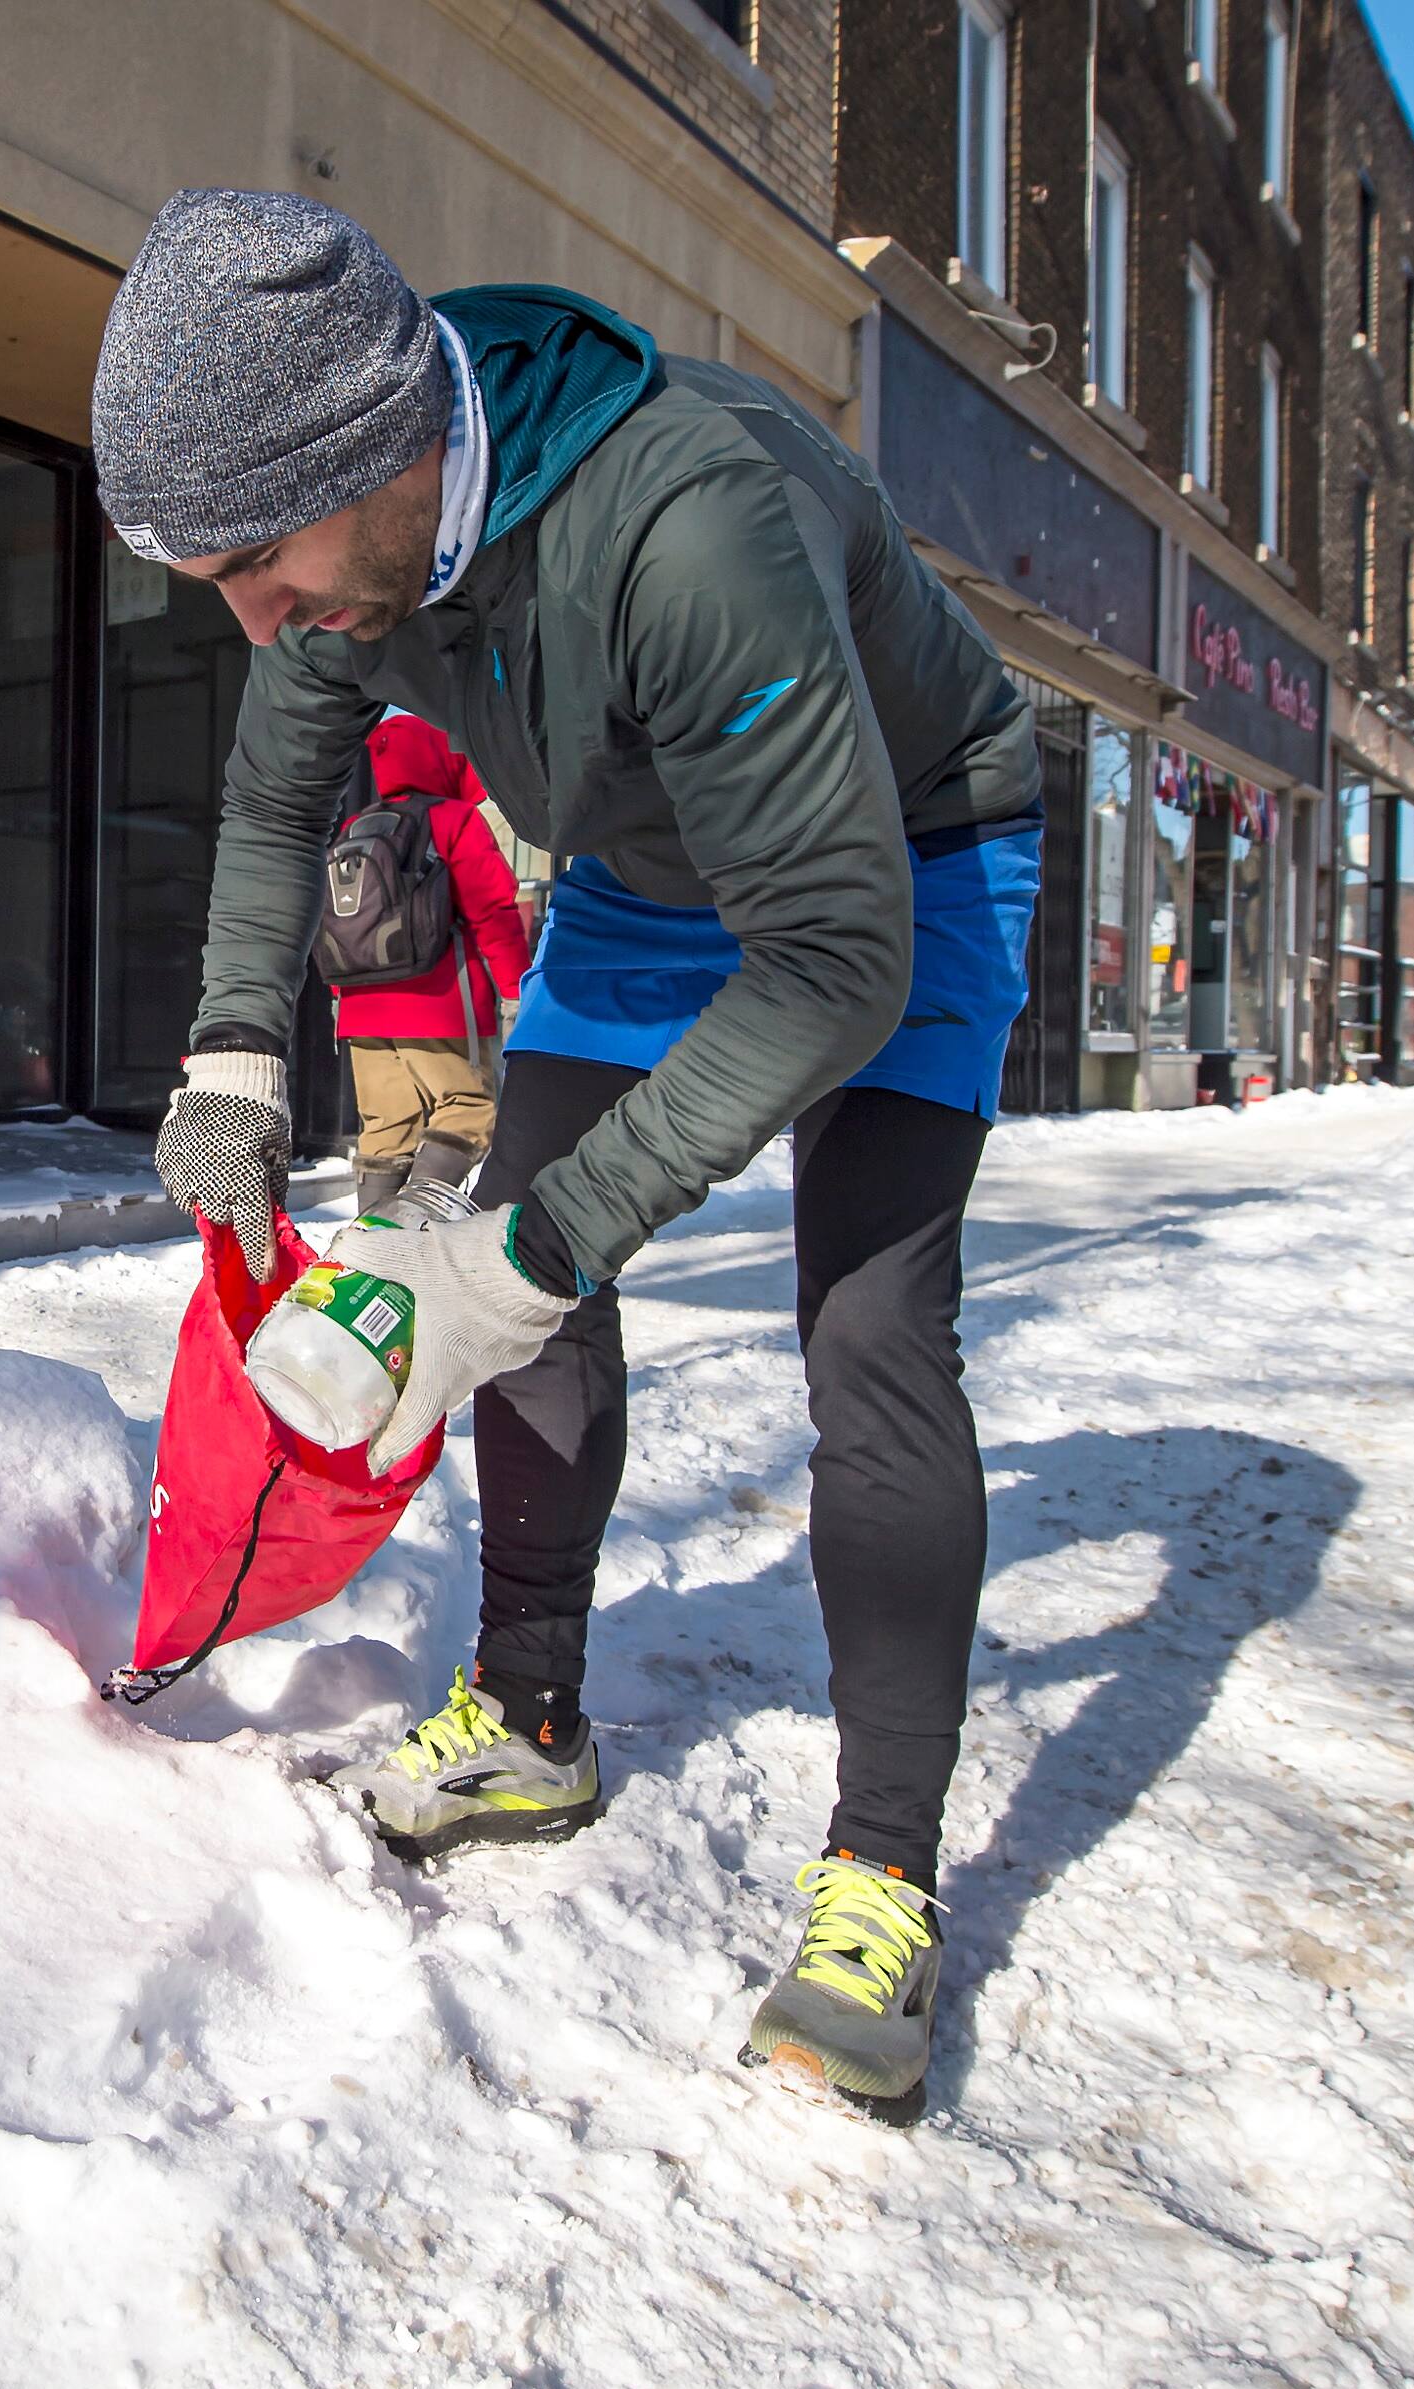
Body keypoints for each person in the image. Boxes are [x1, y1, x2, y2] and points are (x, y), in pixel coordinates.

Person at [100, 191, 1041, 2124]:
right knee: (528, 1266)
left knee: (866, 1330)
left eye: (256, 563)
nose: (254, 620)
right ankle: (530, 1714)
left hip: (904, 862)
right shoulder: (335, 556)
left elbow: (837, 958)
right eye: (213, 578)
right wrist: (232, 1059)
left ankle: (881, 1867)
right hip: (646, 871)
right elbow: (278, 800)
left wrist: (528, 1246)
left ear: (373, 455)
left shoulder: (690, 521)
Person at [332, 714, 529, 1214]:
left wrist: (341, 1001)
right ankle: (415, 1231)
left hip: (362, 1010)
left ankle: (370, 1251)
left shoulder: (358, 826)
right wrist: (518, 986)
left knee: (384, 1128)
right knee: (467, 1110)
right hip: (440, 1002)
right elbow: (493, 909)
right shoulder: (455, 820)